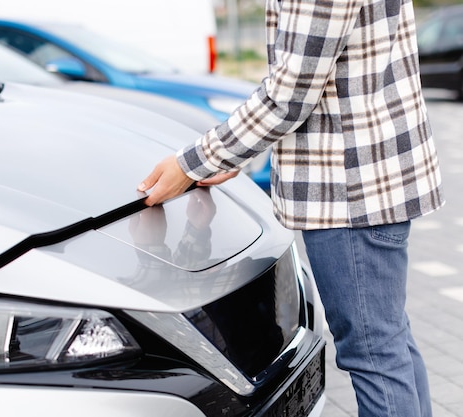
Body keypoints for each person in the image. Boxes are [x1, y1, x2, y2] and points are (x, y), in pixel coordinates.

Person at [137, 0, 445, 415]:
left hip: (349, 190)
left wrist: (196, 161)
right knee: (389, 346)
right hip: (370, 179)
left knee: (375, 354)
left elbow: (291, 91)